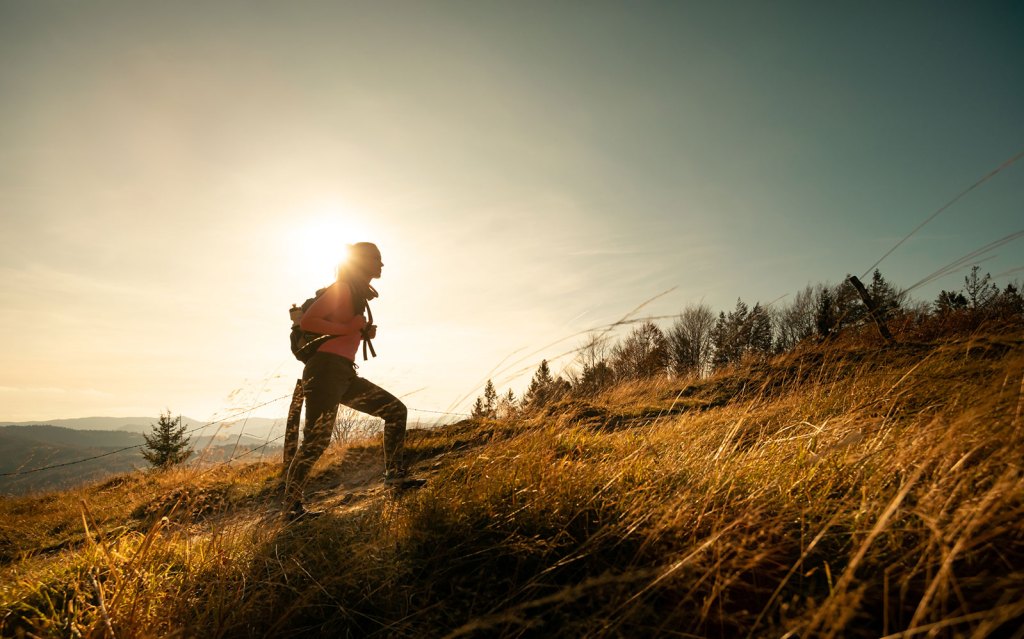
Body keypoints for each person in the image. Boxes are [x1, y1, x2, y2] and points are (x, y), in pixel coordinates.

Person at [283, 242, 422, 521]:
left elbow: (338, 328)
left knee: (395, 411)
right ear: (360, 261)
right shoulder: (343, 288)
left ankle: (395, 477)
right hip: (325, 372)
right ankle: (291, 508)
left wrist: (361, 333)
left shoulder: (356, 294)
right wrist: (348, 328)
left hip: (344, 373)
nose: (381, 265)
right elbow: (310, 321)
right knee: (316, 441)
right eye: (376, 259)